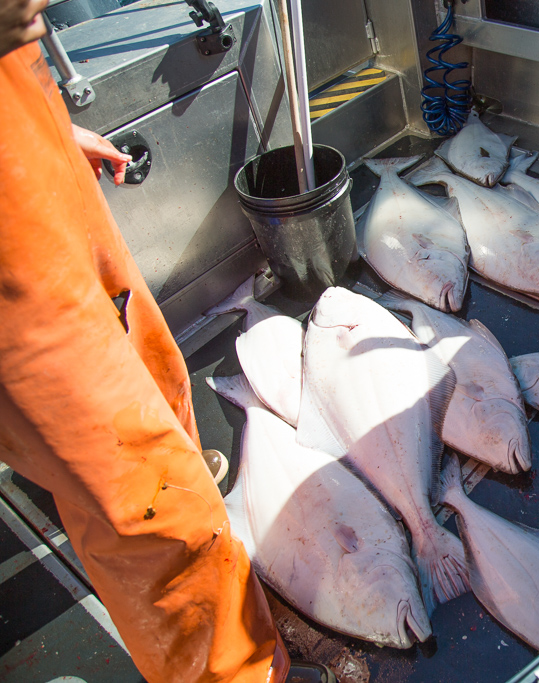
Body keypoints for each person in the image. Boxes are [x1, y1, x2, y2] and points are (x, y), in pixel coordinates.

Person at [0, 1, 333, 680]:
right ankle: (236, 673)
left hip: (24, 135)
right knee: (148, 504)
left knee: (152, 367)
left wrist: (49, 132)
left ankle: (160, 479)